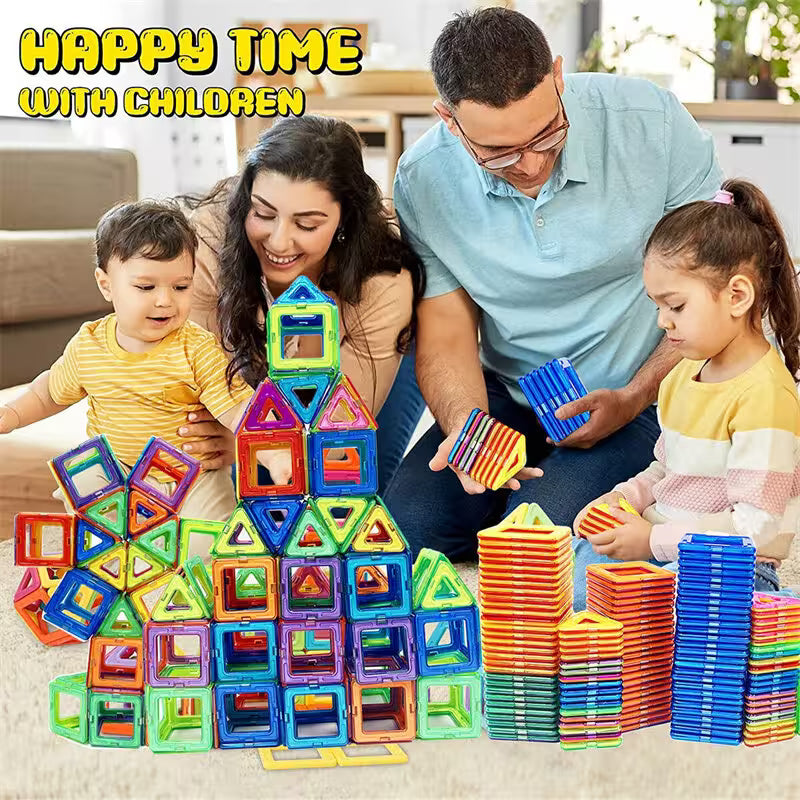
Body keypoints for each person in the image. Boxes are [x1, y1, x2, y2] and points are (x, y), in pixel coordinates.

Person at [382, 7, 724, 596]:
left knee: (533, 543)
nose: (533, 165)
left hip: (640, 391)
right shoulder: (423, 178)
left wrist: (634, 395)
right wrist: (466, 429)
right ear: (449, 121)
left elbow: (712, 294)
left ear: (559, 78)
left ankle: (555, 496)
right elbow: (446, 333)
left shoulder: (653, 123)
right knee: (400, 533)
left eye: (546, 135)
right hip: (506, 394)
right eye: (499, 154)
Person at [573, 179, 800, 604]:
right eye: (657, 306)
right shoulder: (683, 373)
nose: (662, 321)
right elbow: (665, 471)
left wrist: (654, 540)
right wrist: (622, 499)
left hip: (732, 565)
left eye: (675, 306)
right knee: (572, 570)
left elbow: (758, 527)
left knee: (662, 608)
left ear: (737, 295)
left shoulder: (765, 396)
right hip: (663, 546)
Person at [178, 115, 426, 493]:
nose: (278, 242)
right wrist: (241, 433)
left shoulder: (382, 280)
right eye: (263, 214)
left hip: (373, 366)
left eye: (307, 225)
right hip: (243, 368)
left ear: (344, 220)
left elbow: (338, 429)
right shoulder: (207, 241)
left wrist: (248, 442)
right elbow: (197, 373)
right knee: (241, 490)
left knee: (346, 490)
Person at [0, 200, 254, 521]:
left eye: (181, 286)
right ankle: (121, 538)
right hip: (115, 470)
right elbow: (48, 392)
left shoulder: (197, 349)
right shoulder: (89, 345)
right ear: (106, 285)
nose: (165, 300)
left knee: (211, 542)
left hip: (191, 475)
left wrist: (269, 451)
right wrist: (11, 414)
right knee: (82, 485)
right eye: (145, 287)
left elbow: (238, 410)